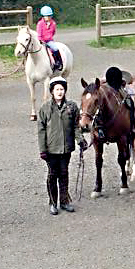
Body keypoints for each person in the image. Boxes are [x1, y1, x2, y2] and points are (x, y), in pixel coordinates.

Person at [37, 76, 82, 215]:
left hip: (66, 148)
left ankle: (64, 201)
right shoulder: (45, 108)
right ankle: (52, 202)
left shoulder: (72, 107)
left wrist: (80, 139)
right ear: (52, 91)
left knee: (64, 174)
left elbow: (75, 126)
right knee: (52, 175)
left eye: (62, 89)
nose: (59, 92)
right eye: (57, 89)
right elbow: (41, 130)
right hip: (51, 149)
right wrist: (43, 150)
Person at [36, 5, 63, 71]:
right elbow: (39, 33)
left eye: (49, 16)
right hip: (41, 41)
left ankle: (59, 62)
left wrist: (49, 38)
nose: (48, 17)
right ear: (43, 16)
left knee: (55, 48)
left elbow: (53, 32)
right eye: (46, 16)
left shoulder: (53, 23)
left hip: (49, 40)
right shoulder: (40, 24)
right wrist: (40, 40)